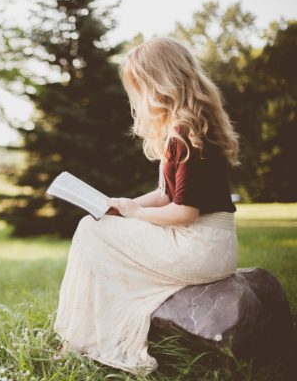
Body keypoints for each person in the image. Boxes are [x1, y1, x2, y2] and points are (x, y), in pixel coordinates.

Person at [52, 36, 241, 375]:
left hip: (199, 245)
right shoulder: (189, 125)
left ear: (159, 83)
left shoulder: (186, 132)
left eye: (139, 86)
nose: (137, 97)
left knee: (89, 231)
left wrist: (136, 214)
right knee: (98, 226)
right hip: (210, 244)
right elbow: (165, 194)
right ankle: (84, 334)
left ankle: (81, 337)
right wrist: (122, 205)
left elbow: (184, 213)